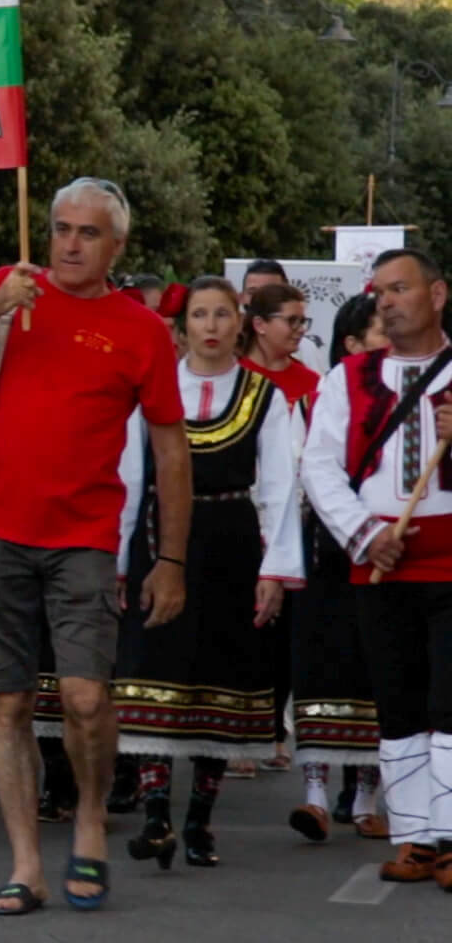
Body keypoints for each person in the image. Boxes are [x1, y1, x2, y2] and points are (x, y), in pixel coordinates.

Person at [0, 177, 189, 914]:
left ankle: (91, 816)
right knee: (6, 703)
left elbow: (171, 450)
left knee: (85, 696)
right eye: (61, 228)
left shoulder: (140, 330)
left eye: (88, 233)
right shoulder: (7, 289)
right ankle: (25, 866)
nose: (70, 244)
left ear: (117, 246)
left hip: (85, 536)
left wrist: (171, 560)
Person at [113, 277, 301, 870]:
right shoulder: (152, 390)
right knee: (152, 669)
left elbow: (280, 487)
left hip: (230, 543)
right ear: (183, 326)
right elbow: (129, 478)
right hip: (157, 540)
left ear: (239, 323)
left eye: (222, 314)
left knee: (220, 674)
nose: (212, 326)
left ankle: (199, 820)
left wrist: (275, 569)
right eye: (200, 315)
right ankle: (155, 815)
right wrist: (119, 560)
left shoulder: (263, 395)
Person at [303, 247, 452, 889]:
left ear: (437, 295)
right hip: (381, 563)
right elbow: (319, 466)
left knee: (450, 701)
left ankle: (450, 835)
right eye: (379, 292)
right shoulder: (349, 377)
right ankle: (415, 838)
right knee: (398, 701)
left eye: (400, 289)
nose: (386, 302)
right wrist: (364, 536)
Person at [288, 292, 389, 843]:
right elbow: (298, 481)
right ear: (351, 344)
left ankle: (368, 798)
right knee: (320, 668)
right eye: (380, 332)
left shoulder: (409, 399)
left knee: (377, 671)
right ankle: (315, 796)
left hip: (389, 552)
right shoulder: (313, 402)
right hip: (326, 553)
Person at [235, 280, 317, 776]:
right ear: (261, 325)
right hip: (242, 515)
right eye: (291, 320)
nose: (299, 330)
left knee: (285, 630)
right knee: (243, 626)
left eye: (303, 321)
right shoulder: (237, 377)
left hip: (296, 518)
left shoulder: (312, 382)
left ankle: (271, 727)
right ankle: (238, 731)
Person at [240, 259, 328, 371]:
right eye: (252, 292)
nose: (260, 298)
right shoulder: (228, 349)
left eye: (271, 293)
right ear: (241, 297)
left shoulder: (306, 350)